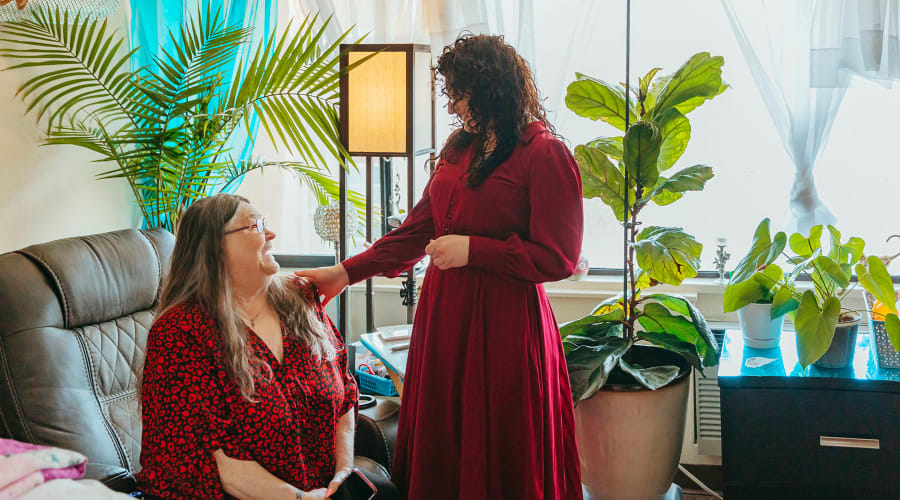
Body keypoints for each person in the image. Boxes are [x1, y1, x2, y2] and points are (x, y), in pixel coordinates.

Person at [296, 34, 585, 499]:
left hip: (506, 325)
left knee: (503, 440)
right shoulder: (459, 148)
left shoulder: (544, 153)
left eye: (460, 93)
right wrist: (346, 272)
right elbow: (417, 231)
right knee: (446, 438)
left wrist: (475, 250)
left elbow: (559, 256)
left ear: (491, 88)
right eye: (450, 93)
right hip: (446, 319)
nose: (453, 106)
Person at [137, 194, 359, 500]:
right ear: (214, 247)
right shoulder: (181, 333)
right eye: (255, 225)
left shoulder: (300, 299)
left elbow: (345, 391)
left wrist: (343, 474)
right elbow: (219, 465)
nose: (270, 234)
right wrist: (301, 498)